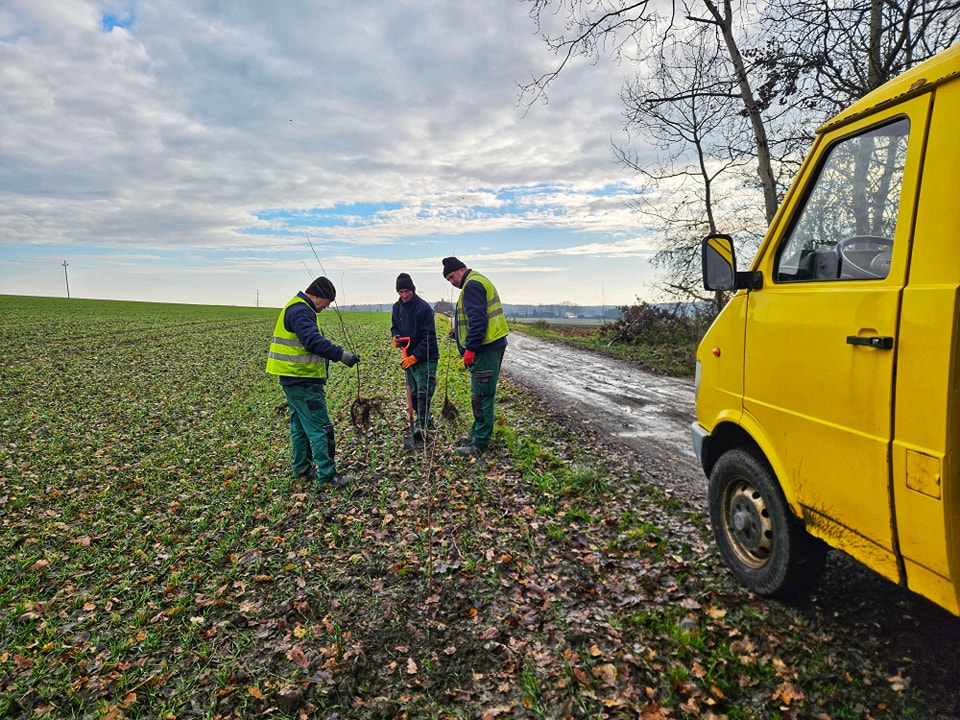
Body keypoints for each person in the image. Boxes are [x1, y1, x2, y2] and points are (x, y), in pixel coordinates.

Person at [265, 276, 360, 489]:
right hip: (303, 380)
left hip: (293, 379)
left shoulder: (297, 307)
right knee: (321, 428)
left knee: (299, 426)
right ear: (317, 295)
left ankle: (301, 470)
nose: (326, 307)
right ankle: (327, 477)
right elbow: (312, 341)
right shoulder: (301, 311)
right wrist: (341, 355)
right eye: (327, 302)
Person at [441, 257, 509, 455]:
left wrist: (470, 348)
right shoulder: (476, 281)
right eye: (448, 280)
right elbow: (472, 318)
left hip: (484, 349)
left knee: (481, 396)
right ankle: (477, 432)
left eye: (452, 276)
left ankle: (479, 443)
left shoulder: (471, 286)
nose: (452, 282)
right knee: (479, 393)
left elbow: (479, 320)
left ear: (462, 269)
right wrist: (458, 333)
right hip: (488, 346)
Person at [390, 273, 439, 446]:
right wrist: (395, 337)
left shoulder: (423, 308)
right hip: (408, 358)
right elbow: (395, 326)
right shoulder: (397, 308)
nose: (404, 295)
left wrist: (415, 357)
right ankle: (426, 421)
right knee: (414, 394)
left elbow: (429, 337)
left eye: (407, 291)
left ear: (413, 289)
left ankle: (421, 429)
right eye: (401, 291)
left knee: (424, 394)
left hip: (425, 358)